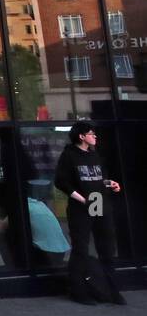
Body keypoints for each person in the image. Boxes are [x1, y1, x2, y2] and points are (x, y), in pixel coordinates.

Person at [54, 122, 125, 305]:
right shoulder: (69, 156)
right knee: (81, 247)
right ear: (81, 136)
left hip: (99, 201)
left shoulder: (95, 155)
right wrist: (83, 200)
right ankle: (79, 291)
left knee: (107, 247)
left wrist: (111, 184)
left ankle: (111, 290)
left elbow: (99, 179)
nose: (95, 136)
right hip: (82, 206)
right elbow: (61, 182)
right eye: (91, 133)